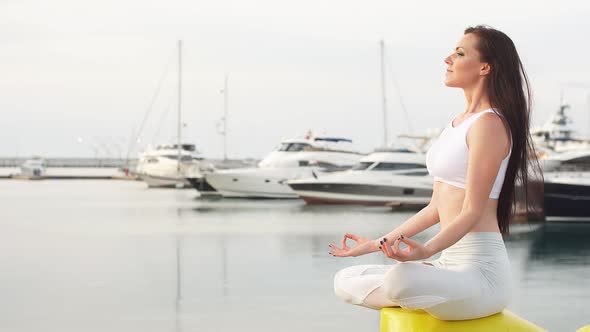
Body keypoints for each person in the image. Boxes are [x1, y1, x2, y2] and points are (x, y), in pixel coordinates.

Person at [328, 25, 542, 321]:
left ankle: (422, 286)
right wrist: (378, 243)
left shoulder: (490, 124)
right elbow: (435, 208)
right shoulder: (456, 122)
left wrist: (425, 251)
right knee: (345, 280)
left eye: (459, 53)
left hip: (481, 273)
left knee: (399, 281)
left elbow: (471, 210)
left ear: (485, 67)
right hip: (447, 265)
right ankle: (426, 286)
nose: (447, 59)